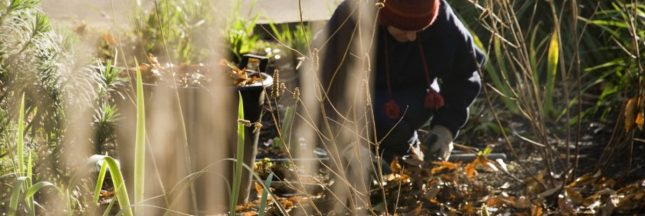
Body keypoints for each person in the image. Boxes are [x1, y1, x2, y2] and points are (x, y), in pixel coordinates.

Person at [313, 0, 485, 165]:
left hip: (414, 101)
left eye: (420, 29)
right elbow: (317, 84)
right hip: (357, 108)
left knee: (398, 149)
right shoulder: (352, 18)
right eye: (404, 29)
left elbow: (466, 72)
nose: (411, 37)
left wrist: (446, 127)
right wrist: (348, 145)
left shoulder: (442, 20)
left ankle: (403, 148)